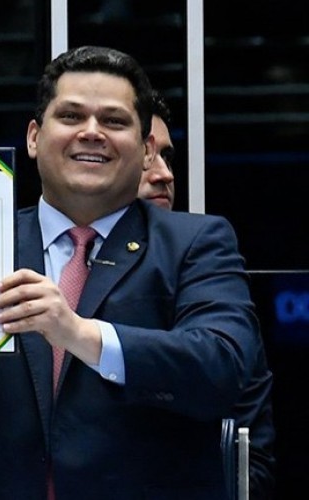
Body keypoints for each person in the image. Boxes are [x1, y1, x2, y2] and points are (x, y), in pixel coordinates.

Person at [0, 46, 263, 499]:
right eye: (72, 116)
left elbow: (223, 367)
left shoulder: (195, 242)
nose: (92, 133)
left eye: (114, 122)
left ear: (146, 148)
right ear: (35, 137)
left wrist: (81, 333)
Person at [139, 91, 276, 500]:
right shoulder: (31, 261)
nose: (163, 173)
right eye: (145, 157)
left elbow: (254, 462)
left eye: (166, 156)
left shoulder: (209, 268)